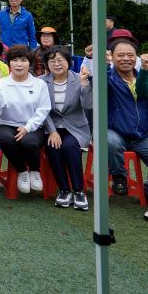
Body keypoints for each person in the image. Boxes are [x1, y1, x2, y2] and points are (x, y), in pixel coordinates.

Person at [0, 45, 51, 194]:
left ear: (30, 63)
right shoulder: (2, 82)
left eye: (23, 60)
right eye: (15, 60)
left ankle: (35, 170)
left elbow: (43, 109)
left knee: (28, 142)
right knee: (5, 140)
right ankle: (22, 171)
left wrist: (28, 127)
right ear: (9, 63)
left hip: (32, 126)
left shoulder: (39, 84)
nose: (19, 64)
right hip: (6, 124)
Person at [40, 47, 91, 210]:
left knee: (69, 146)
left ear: (68, 62)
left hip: (76, 127)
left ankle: (79, 191)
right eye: (52, 60)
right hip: (51, 126)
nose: (57, 64)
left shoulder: (79, 78)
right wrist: (52, 131)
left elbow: (88, 105)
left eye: (60, 60)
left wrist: (85, 85)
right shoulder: (41, 81)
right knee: (53, 146)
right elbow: (41, 110)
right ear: (47, 63)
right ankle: (64, 190)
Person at [104, 30, 148, 219]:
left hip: (142, 135)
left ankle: (146, 188)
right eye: (120, 55)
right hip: (116, 131)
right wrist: (104, 66)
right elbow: (99, 86)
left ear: (136, 57)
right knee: (110, 141)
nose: (125, 59)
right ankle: (119, 176)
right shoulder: (109, 77)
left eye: (130, 55)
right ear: (112, 57)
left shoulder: (143, 77)